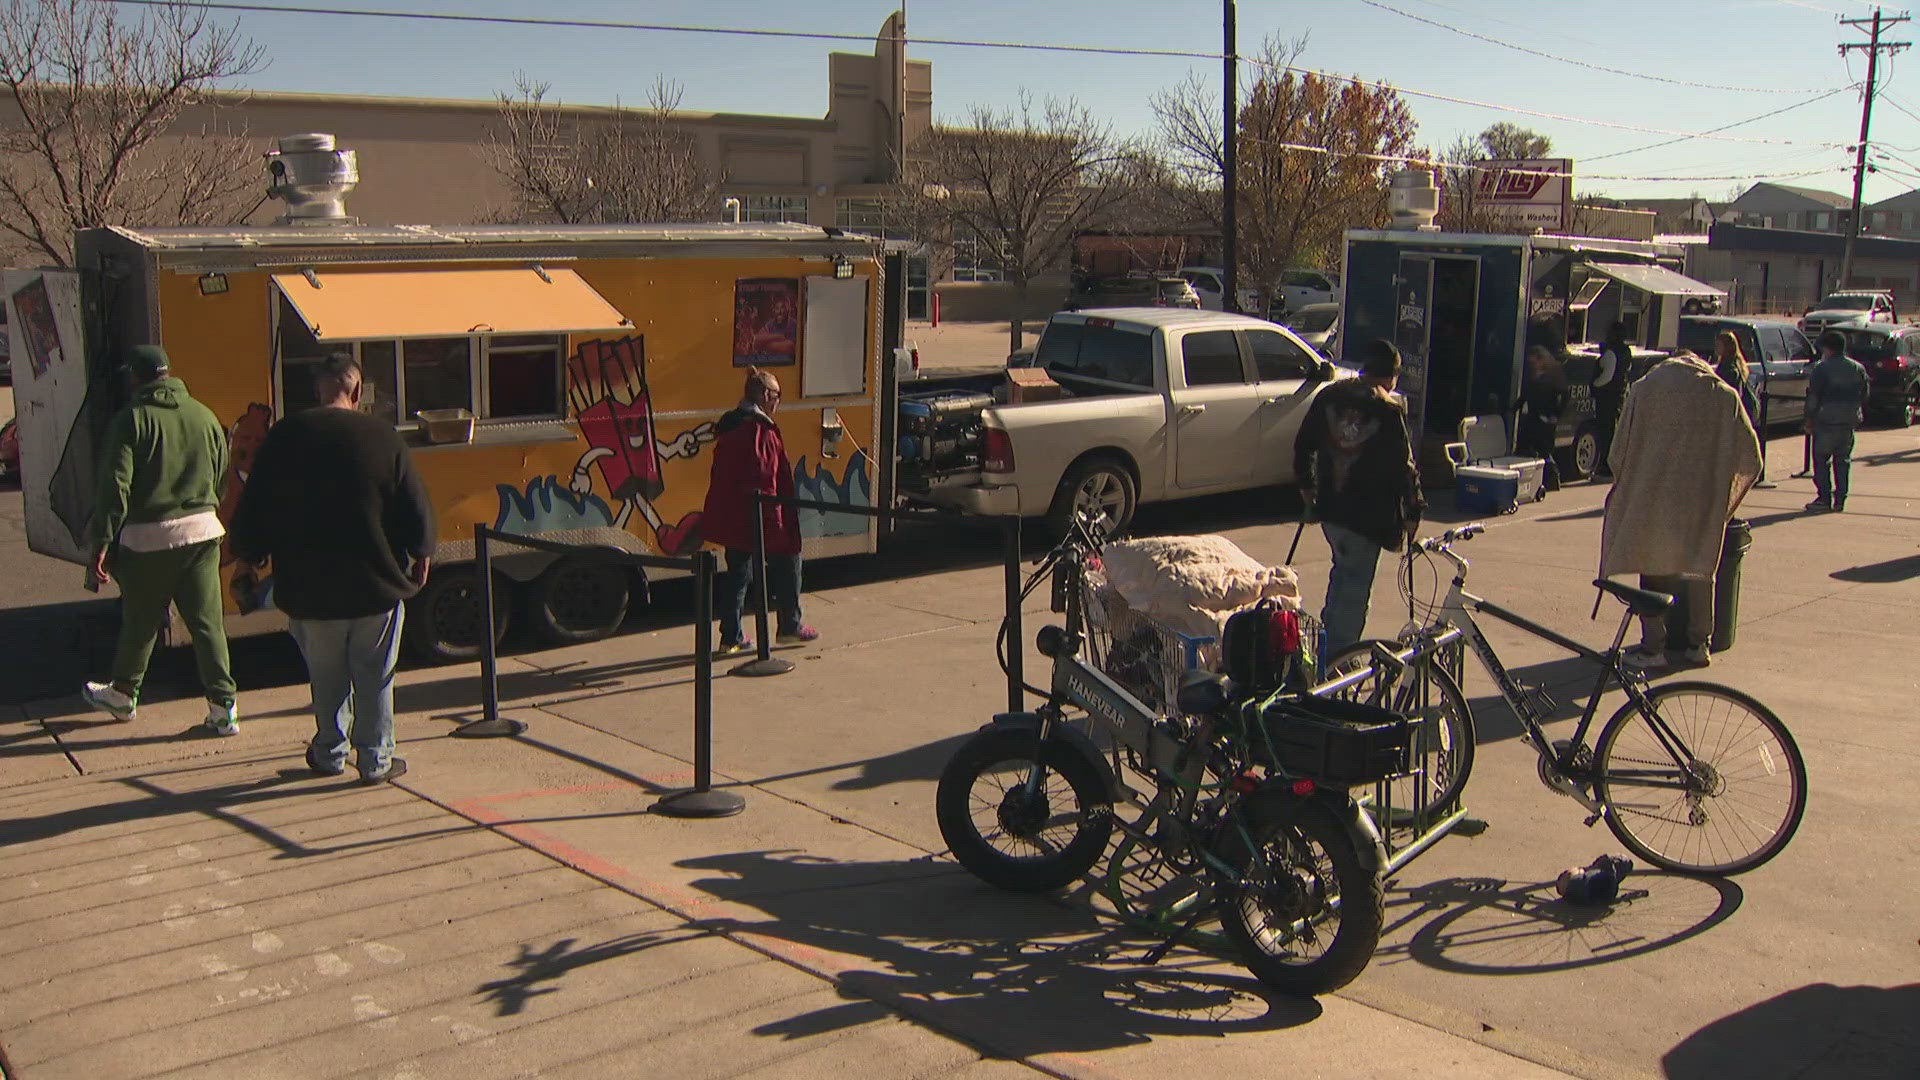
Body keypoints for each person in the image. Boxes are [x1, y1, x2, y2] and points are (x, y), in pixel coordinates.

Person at [228, 353, 433, 784]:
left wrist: (247, 558)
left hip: (308, 587)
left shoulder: (285, 437)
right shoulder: (383, 436)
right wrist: (422, 552)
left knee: (326, 677)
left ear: (317, 391)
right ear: (357, 391)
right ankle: (376, 761)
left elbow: (257, 505)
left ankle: (329, 752)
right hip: (375, 584)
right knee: (375, 676)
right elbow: (413, 503)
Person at [80, 345, 239, 733]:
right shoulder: (204, 415)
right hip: (202, 532)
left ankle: (122, 693)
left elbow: (116, 485)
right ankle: (224, 708)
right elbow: (222, 474)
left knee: (141, 620)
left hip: (148, 538)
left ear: (136, 377)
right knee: (207, 625)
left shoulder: (130, 420)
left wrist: (101, 541)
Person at [1599, 349, 1761, 670]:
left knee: (1653, 567)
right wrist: (1725, 502)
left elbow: (1618, 453)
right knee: (1700, 568)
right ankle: (1699, 644)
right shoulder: (1722, 394)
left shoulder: (1645, 389)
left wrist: (1628, 485)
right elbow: (1750, 458)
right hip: (1701, 494)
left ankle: (1653, 646)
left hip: (1654, 495)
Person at [1294, 339, 1424, 653]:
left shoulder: (1329, 396)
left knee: (1343, 576)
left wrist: (1308, 488)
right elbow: (1403, 467)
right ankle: (1339, 656)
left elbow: (1303, 444)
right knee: (1353, 586)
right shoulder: (1387, 408)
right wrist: (1412, 512)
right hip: (1366, 515)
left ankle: (1328, 648)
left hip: (1331, 507)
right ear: (1391, 377)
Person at [702, 367, 818, 655]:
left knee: (737, 576)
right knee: (789, 563)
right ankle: (790, 626)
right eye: (777, 395)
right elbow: (765, 481)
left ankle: (731, 637)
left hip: (733, 516)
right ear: (766, 395)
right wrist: (776, 523)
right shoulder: (758, 431)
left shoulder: (730, 425)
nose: (779, 402)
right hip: (759, 518)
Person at [1803, 329, 1869, 513]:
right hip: (1848, 420)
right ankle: (1840, 498)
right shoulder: (1858, 368)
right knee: (1843, 461)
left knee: (1822, 459)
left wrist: (1809, 418)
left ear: (1827, 348)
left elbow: (1814, 396)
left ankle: (1824, 498)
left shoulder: (1821, 369)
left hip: (1826, 420)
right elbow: (1865, 393)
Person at [1712, 330, 1770, 488]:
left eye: (1719, 344)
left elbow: (1731, 395)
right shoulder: (1736, 364)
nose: (1717, 348)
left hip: (1731, 416)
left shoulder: (1729, 368)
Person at [1515, 345, 1568, 492]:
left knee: (1544, 451)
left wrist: (1556, 415)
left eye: (1534, 361)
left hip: (1545, 418)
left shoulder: (1552, 377)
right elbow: (1526, 395)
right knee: (1525, 447)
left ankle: (1552, 479)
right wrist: (1514, 408)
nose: (1532, 364)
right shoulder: (1534, 376)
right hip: (1533, 416)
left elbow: (1563, 396)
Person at [1591, 322, 1632, 480]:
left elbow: (1606, 376)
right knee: (1613, 430)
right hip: (1619, 396)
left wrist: (1594, 386)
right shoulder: (1626, 351)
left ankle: (1605, 467)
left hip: (1607, 397)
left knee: (1605, 432)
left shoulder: (1612, 352)